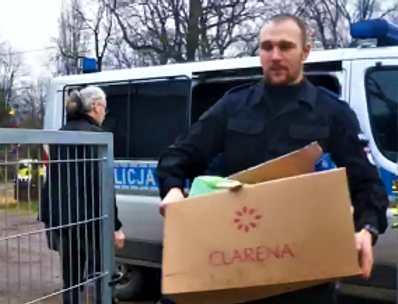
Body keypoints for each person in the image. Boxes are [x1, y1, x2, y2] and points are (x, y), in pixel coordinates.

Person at [155, 14, 389, 304]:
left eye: (285, 46)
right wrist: (173, 190)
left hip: (306, 276)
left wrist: (366, 230)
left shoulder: (334, 114)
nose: (275, 55)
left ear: (305, 52)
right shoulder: (233, 106)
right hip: (239, 266)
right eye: (267, 47)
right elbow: (178, 156)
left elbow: (368, 185)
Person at [40, 86, 125, 304]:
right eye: (104, 108)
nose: (105, 113)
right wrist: (115, 226)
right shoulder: (96, 137)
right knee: (104, 277)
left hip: (63, 220)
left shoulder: (62, 133)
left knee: (72, 280)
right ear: (96, 107)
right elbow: (103, 186)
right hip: (89, 222)